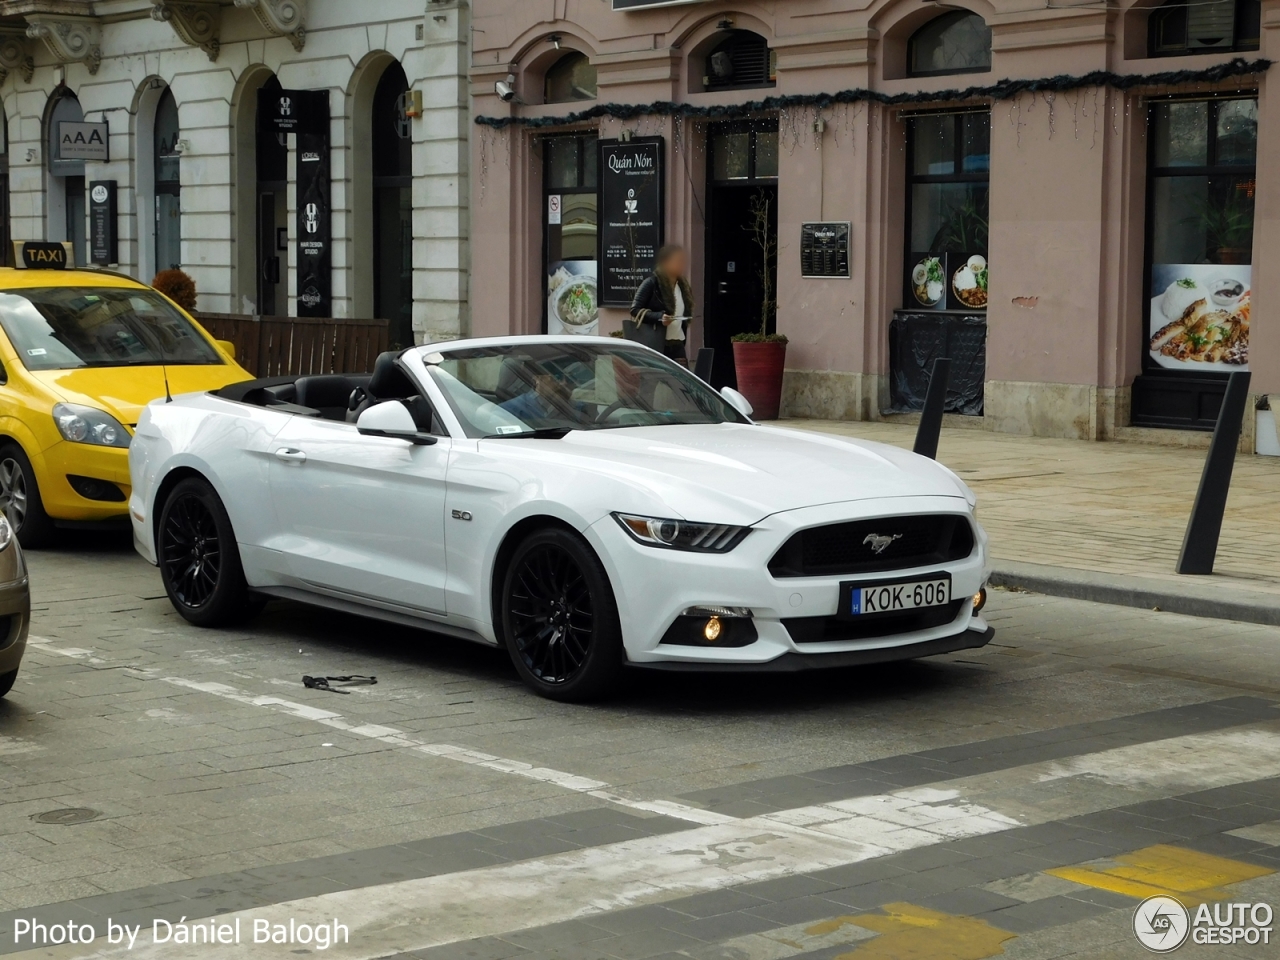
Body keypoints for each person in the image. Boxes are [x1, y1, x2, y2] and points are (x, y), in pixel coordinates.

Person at [629, 245, 694, 364]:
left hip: (677, 343)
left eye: (682, 261)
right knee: (650, 381)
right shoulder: (651, 283)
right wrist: (659, 317)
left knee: (682, 382)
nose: (681, 264)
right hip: (656, 344)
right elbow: (635, 309)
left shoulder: (683, 287)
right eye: (677, 261)